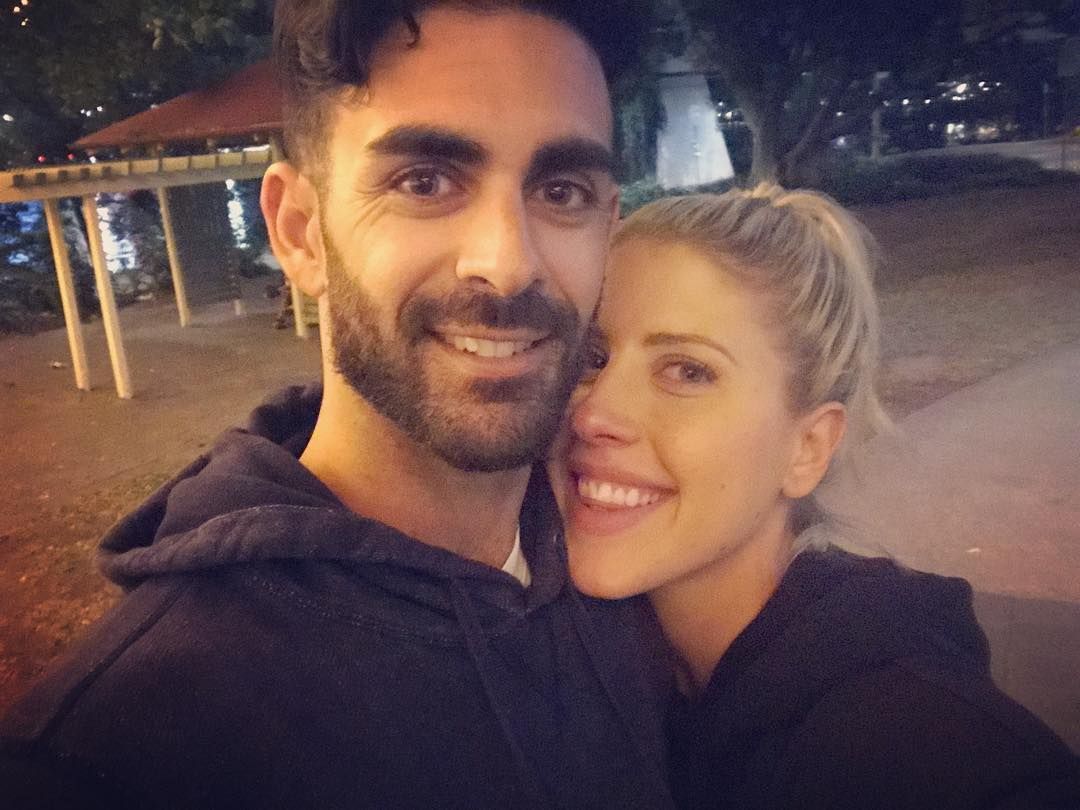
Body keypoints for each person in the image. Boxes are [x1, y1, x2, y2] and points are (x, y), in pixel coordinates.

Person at [0, 3, 676, 808]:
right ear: (300, 232)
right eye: (424, 181)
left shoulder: (635, 557)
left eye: (562, 190)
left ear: (608, 226)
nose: (508, 263)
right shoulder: (117, 753)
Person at [550, 185, 1080, 809]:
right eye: (593, 356)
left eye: (688, 371)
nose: (595, 414)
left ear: (807, 448)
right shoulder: (603, 670)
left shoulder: (910, 742)